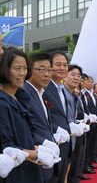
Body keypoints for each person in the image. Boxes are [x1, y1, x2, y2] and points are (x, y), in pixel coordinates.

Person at [0, 47, 56, 182]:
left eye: (25, 68)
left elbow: (23, 139)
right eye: (17, 68)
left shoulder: (19, 98)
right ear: (4, 69)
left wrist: (40, 148)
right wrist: (37, 153)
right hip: (15, 174)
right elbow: (7, 147)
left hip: (29, 169)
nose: (22, 73)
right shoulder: (2, 103)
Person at [22, 52, 60, 182]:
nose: (47, 74)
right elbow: (24, 128)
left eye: (49, 70)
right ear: (29, 70)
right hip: (34, 160)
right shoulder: (24, 93)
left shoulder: (40, 93)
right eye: (42, 69)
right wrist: (43, 142)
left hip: (46, 160)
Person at [43, 51, 72, 183]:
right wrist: (55, 129)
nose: (62, 68)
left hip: (65, 144)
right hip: (52, 144)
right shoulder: (45, 88)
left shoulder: (61, 88)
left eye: (65, 65)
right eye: (58, 64)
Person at [63, 65, 89, 183]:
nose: (76, 78)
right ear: (65, 76)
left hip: (71, 139)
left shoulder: (74, 96)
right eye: (73, 74)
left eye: (78, 76)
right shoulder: (62, 93)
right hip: (62, 139)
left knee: (67, 168)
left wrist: (78, 123)